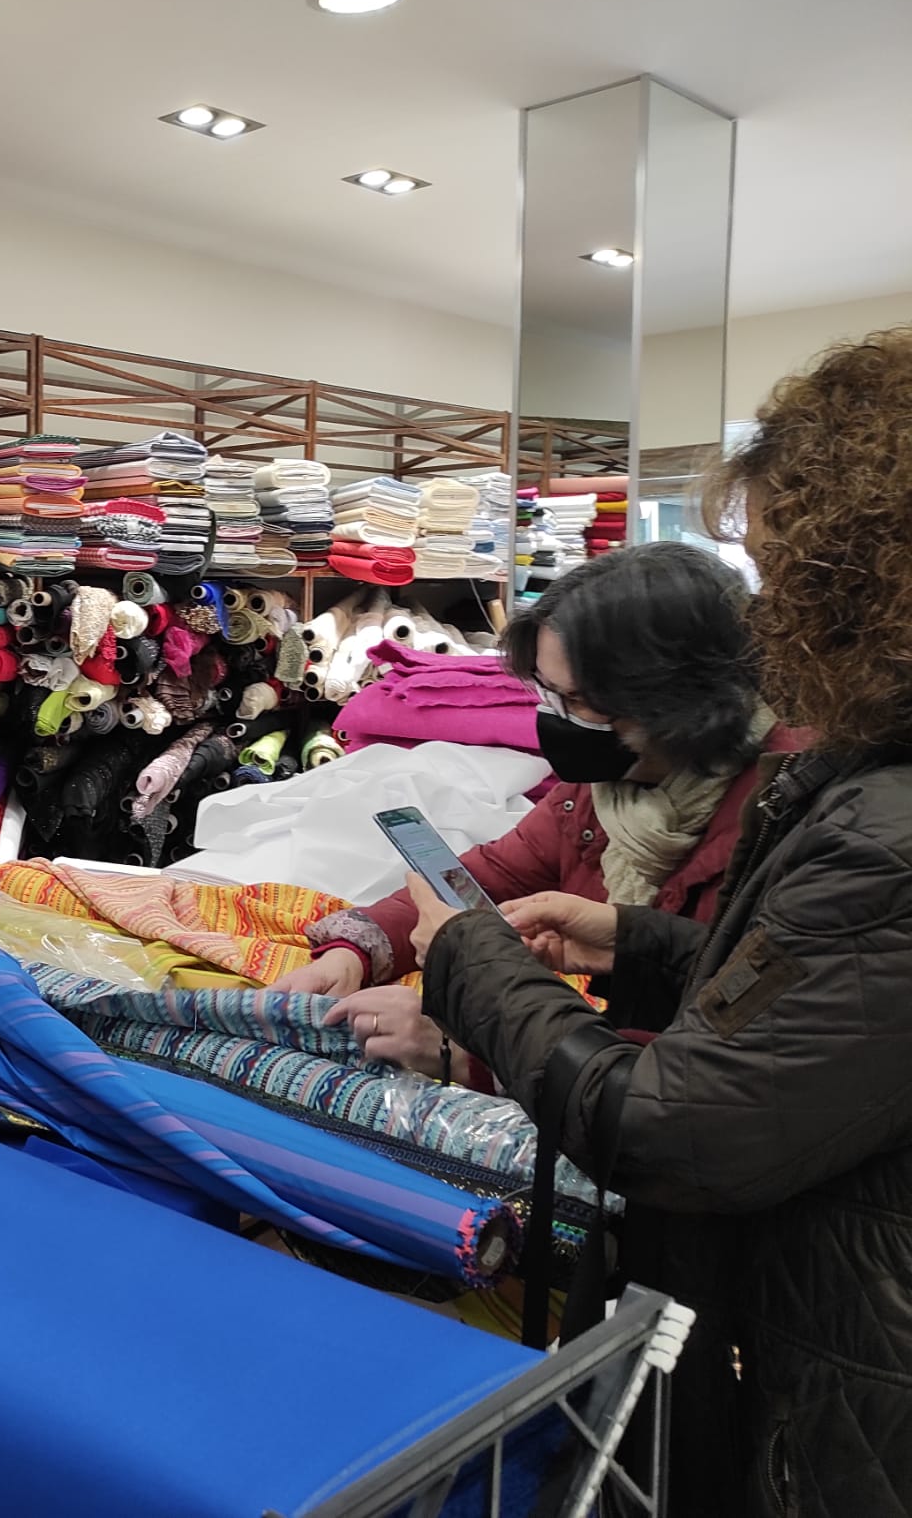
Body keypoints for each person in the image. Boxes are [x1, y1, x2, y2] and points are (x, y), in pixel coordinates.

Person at [376, 330, 912, 1515]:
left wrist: (463, 974)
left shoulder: (869, 817)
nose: (774, 618)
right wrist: (632, 940)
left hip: (842, 1394)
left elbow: (685, 1126)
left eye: (790, 575)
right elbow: (814, 1001)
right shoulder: (840, 783)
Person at [273, 541, 803, 1084]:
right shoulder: (604, 792)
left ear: (675, 701)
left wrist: (466, 1053)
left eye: (575, 701)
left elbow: (700, 1083)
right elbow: (492, 875)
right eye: (546, 694)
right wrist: (357, 952)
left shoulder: (784, 826)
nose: (553, 719)